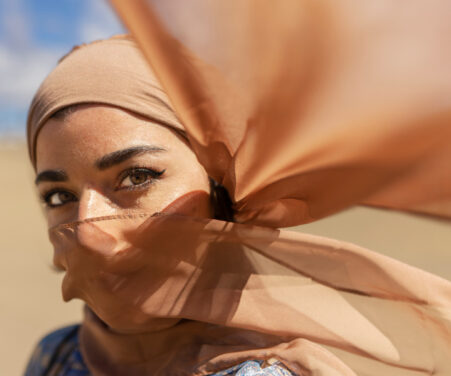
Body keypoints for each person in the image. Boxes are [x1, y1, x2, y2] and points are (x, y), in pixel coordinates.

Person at [24, 33, 450, 375]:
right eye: (59, 197)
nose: (89, 231)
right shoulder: (57, 356)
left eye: (137, 177)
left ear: (219, 183)